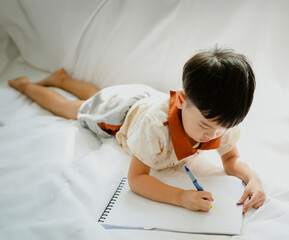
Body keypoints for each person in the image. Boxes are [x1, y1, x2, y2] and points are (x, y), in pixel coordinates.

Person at [8, 47, 266, 213]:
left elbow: (231, 159)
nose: (214, 136)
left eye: (223, 128)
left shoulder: (218, 122)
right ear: (182, 100)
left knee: (98, 96)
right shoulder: (154, 129)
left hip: (144, 99)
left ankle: (62, 79)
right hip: (123, 114)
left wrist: (252, 179)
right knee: (74, 108)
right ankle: (26, 86)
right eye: (206, 127)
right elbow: (137, 179)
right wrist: (181, 197)